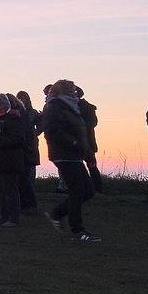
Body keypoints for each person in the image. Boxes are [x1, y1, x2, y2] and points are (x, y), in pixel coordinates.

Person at [43, 79, 100, 242]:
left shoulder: (70, 106)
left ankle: (58, 214)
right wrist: (74, 143)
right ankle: (77, 230)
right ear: (63, 91)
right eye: (72, 90)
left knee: (87, 191)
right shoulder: (55, 106)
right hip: (64, 154)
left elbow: (81, 130)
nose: (75, 92)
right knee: (78, 191)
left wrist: (86, 151)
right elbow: (52, 132)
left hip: (74, 154)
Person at [0, 93, 28, 227]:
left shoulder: (13, 118)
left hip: (9, 159)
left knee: (9, 190)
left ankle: (13, 218)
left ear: (3, 104)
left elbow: (19, 139)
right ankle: (2, 217)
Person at [15, 90, 41, 212]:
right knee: (22, 176)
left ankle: (30, 203)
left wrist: (35, 132)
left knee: (29, 174)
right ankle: (24, 202)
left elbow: (41, 124)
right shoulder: (17, 112)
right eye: (19, 98)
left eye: (23, 98)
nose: (21, 100)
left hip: (30, 145)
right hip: (21, 144)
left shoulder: (32, 112)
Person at [75, 87, 103, 193]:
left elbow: (93, 123)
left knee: (91, 165)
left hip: (86, 141)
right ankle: (92, 188)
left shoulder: (86, 107)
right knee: (87, 165)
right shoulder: (86, 106)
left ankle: (97, 188)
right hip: (82, 141)